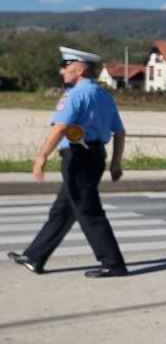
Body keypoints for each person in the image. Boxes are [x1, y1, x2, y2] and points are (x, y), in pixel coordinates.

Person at [8, 47, 129, 278]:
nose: (62, 71)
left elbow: (60, 127)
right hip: (95, 157)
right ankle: (35, 256)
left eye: (66, 66)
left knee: (89, 211)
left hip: (78, 158)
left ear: (80, 69)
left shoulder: (75, 94)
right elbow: (120, 132)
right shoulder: (104, 95)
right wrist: (116, 163)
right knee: (62, 210)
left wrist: (41, 156)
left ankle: (113, 263)